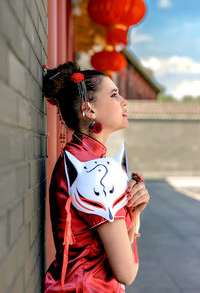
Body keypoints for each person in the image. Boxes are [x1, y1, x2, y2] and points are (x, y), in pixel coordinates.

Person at [42, 61, 149, 292]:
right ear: (89, 109)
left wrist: (134, 211)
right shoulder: (97, 171)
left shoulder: (75, 157)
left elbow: (108, 247)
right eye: (114, 94)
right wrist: (133, 214)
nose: (124, 101)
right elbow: (126, 273)